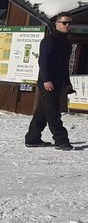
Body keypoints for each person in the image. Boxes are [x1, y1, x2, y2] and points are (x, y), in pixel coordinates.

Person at [25, 12, 75, 150]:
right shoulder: (49, 40)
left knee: (43, 111)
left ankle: (32, 138)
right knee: (53, 112)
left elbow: (64, 64)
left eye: (69, 23)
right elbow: (43, 61)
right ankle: (61, 140)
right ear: (56, 24)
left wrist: (67, 82)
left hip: (58, 81)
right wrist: (47, 80)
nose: (67, 25)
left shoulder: (66, 43)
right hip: (48, 82)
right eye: (64, 23)